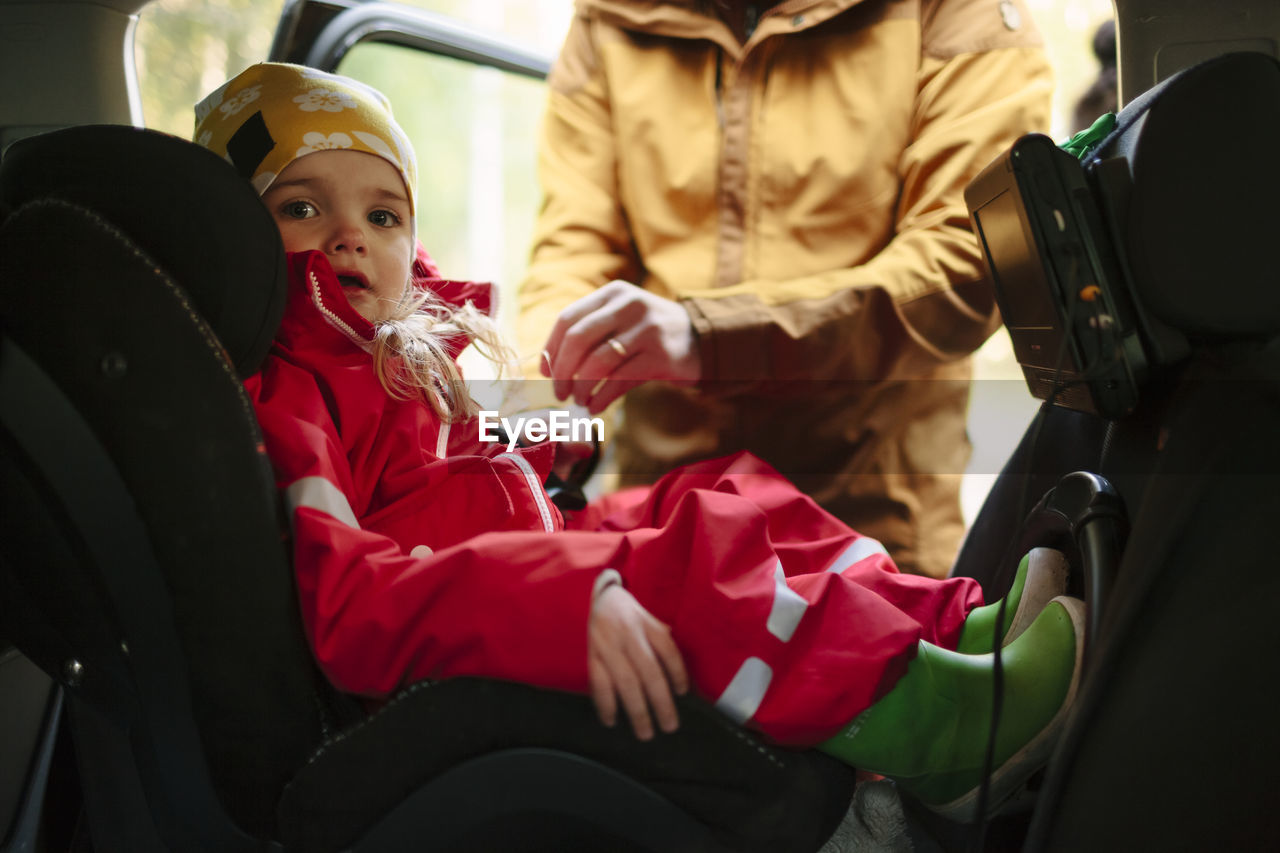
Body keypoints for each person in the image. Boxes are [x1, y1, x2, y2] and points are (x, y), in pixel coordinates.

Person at [194, 62, 1081, 821]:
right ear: (229, 246)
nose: (350, 233)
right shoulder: (289, 400)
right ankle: (950, 733)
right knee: (689, 568)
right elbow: (350, 599)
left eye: (384, 216)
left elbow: (436, 475)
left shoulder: (384, 364)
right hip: (466, 626)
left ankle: (952, 627)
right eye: (300, 206)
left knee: (734, 492)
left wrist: (542, 444)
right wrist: (565, 593)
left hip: (519, 553)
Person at [517, 0, 1055, 579]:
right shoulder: (607, 17)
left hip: (870, 529)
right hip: (661, 525)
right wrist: (544, 413)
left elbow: (966, 260)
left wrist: (713, 338)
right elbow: (574, 251)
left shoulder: (958, 12)